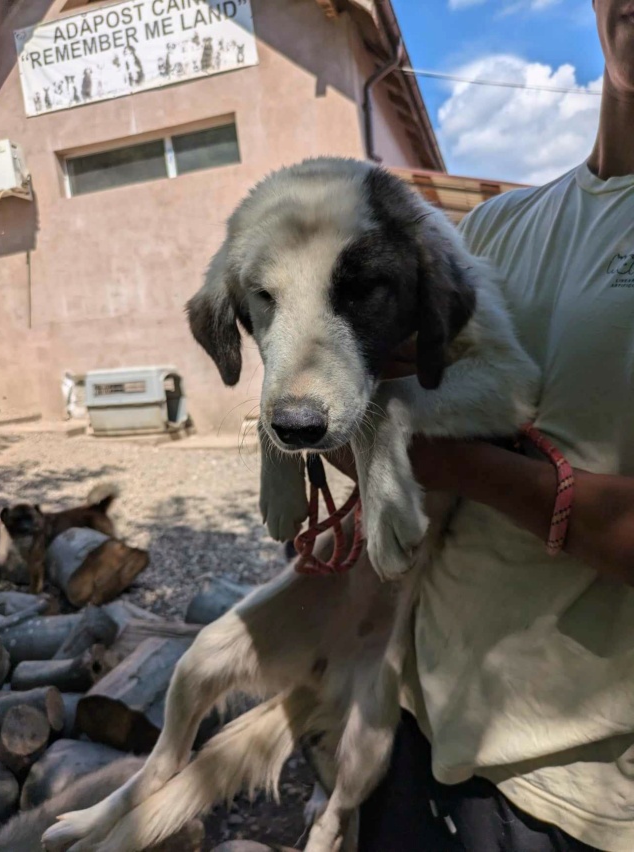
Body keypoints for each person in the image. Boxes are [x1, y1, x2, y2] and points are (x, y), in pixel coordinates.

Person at [343, 2, 634, 850]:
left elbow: (432, 442)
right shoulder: (498, 226)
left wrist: (449, 460)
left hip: (576, 793)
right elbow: (391, 402)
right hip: (413, 721)